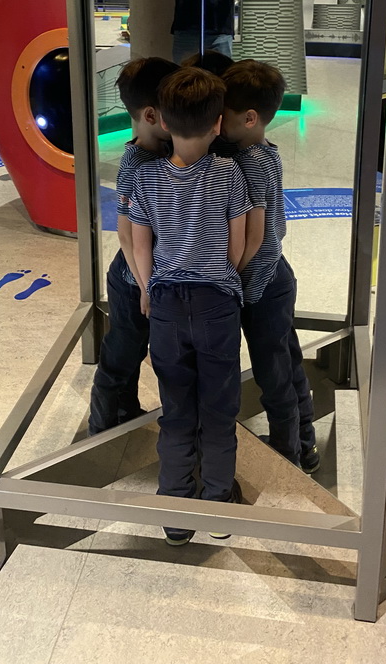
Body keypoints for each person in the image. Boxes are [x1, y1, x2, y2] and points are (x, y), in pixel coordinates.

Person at [129, 67, 251, 545]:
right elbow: (237, 247)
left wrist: (147, 287)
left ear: (164, 123)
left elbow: (141, 247)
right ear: (218, 123)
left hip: (165, 305)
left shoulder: (146, 179)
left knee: (176, 408)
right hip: (216, 302)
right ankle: (218, 504)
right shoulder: (230, 174)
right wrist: (222, 278)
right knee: (219, 409)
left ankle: (176, 510)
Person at [221, 59, 320, 473]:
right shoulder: (260, 152)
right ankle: (305, 442)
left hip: (261, 281)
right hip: (275, 273)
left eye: (221, 117)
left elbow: (257, 234)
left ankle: (289, 453)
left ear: (248, 118)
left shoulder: (251, 163)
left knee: (273, 372)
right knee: (287, 360)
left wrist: (236, 280)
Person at [87, 56, 179, 435]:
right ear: (153, 115)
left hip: (147, 279)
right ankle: (102, 424)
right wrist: (145, 285)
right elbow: (126, 234)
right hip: (132, 282)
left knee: (135, 350)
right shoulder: (137, 162)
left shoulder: (163, 152)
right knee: (122, 354)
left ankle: (126, 410)